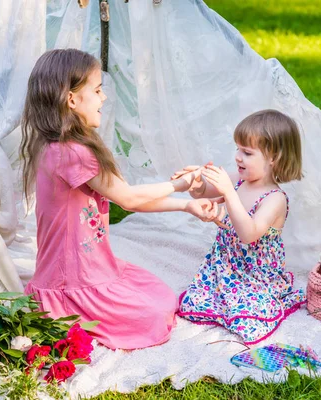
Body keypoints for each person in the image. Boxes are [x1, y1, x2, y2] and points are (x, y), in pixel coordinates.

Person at [20, 49, 219, 350]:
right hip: (73, 278)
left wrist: (186, 205)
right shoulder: (72, 153)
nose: (104, 99)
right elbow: (129, 198)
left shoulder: (63, 144)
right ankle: (68, 309)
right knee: (152, 318)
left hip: (93, 265)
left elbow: (128, 198)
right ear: (72, 100)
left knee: (162, 297)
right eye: (97, 91)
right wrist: (179, 185)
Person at [175, 109, 307, 345]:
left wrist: (228, 192)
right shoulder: (240, 180)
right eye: (237, 149)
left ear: (273, 157)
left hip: (256, 274)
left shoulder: (274, 198)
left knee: (249, 317)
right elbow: (205, 192)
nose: (238, 157)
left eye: (246, 152)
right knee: (194, 300)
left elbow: (248, 234)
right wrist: (196, 185)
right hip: (226, 264)